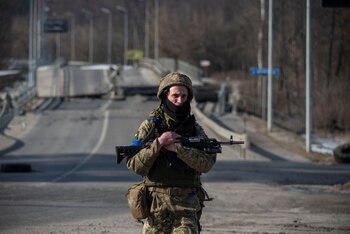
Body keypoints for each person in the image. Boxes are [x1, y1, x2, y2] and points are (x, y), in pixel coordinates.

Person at [126, 72, 217, 233]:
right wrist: (159, 144)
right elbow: (135, 165)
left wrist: (177, 149)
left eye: (184, 96)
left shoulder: (195, 129)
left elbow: (206, 163)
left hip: (186, 207)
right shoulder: (150, 127)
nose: (180, 101)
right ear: (165, 95)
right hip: (156, 208)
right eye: (175, 96)